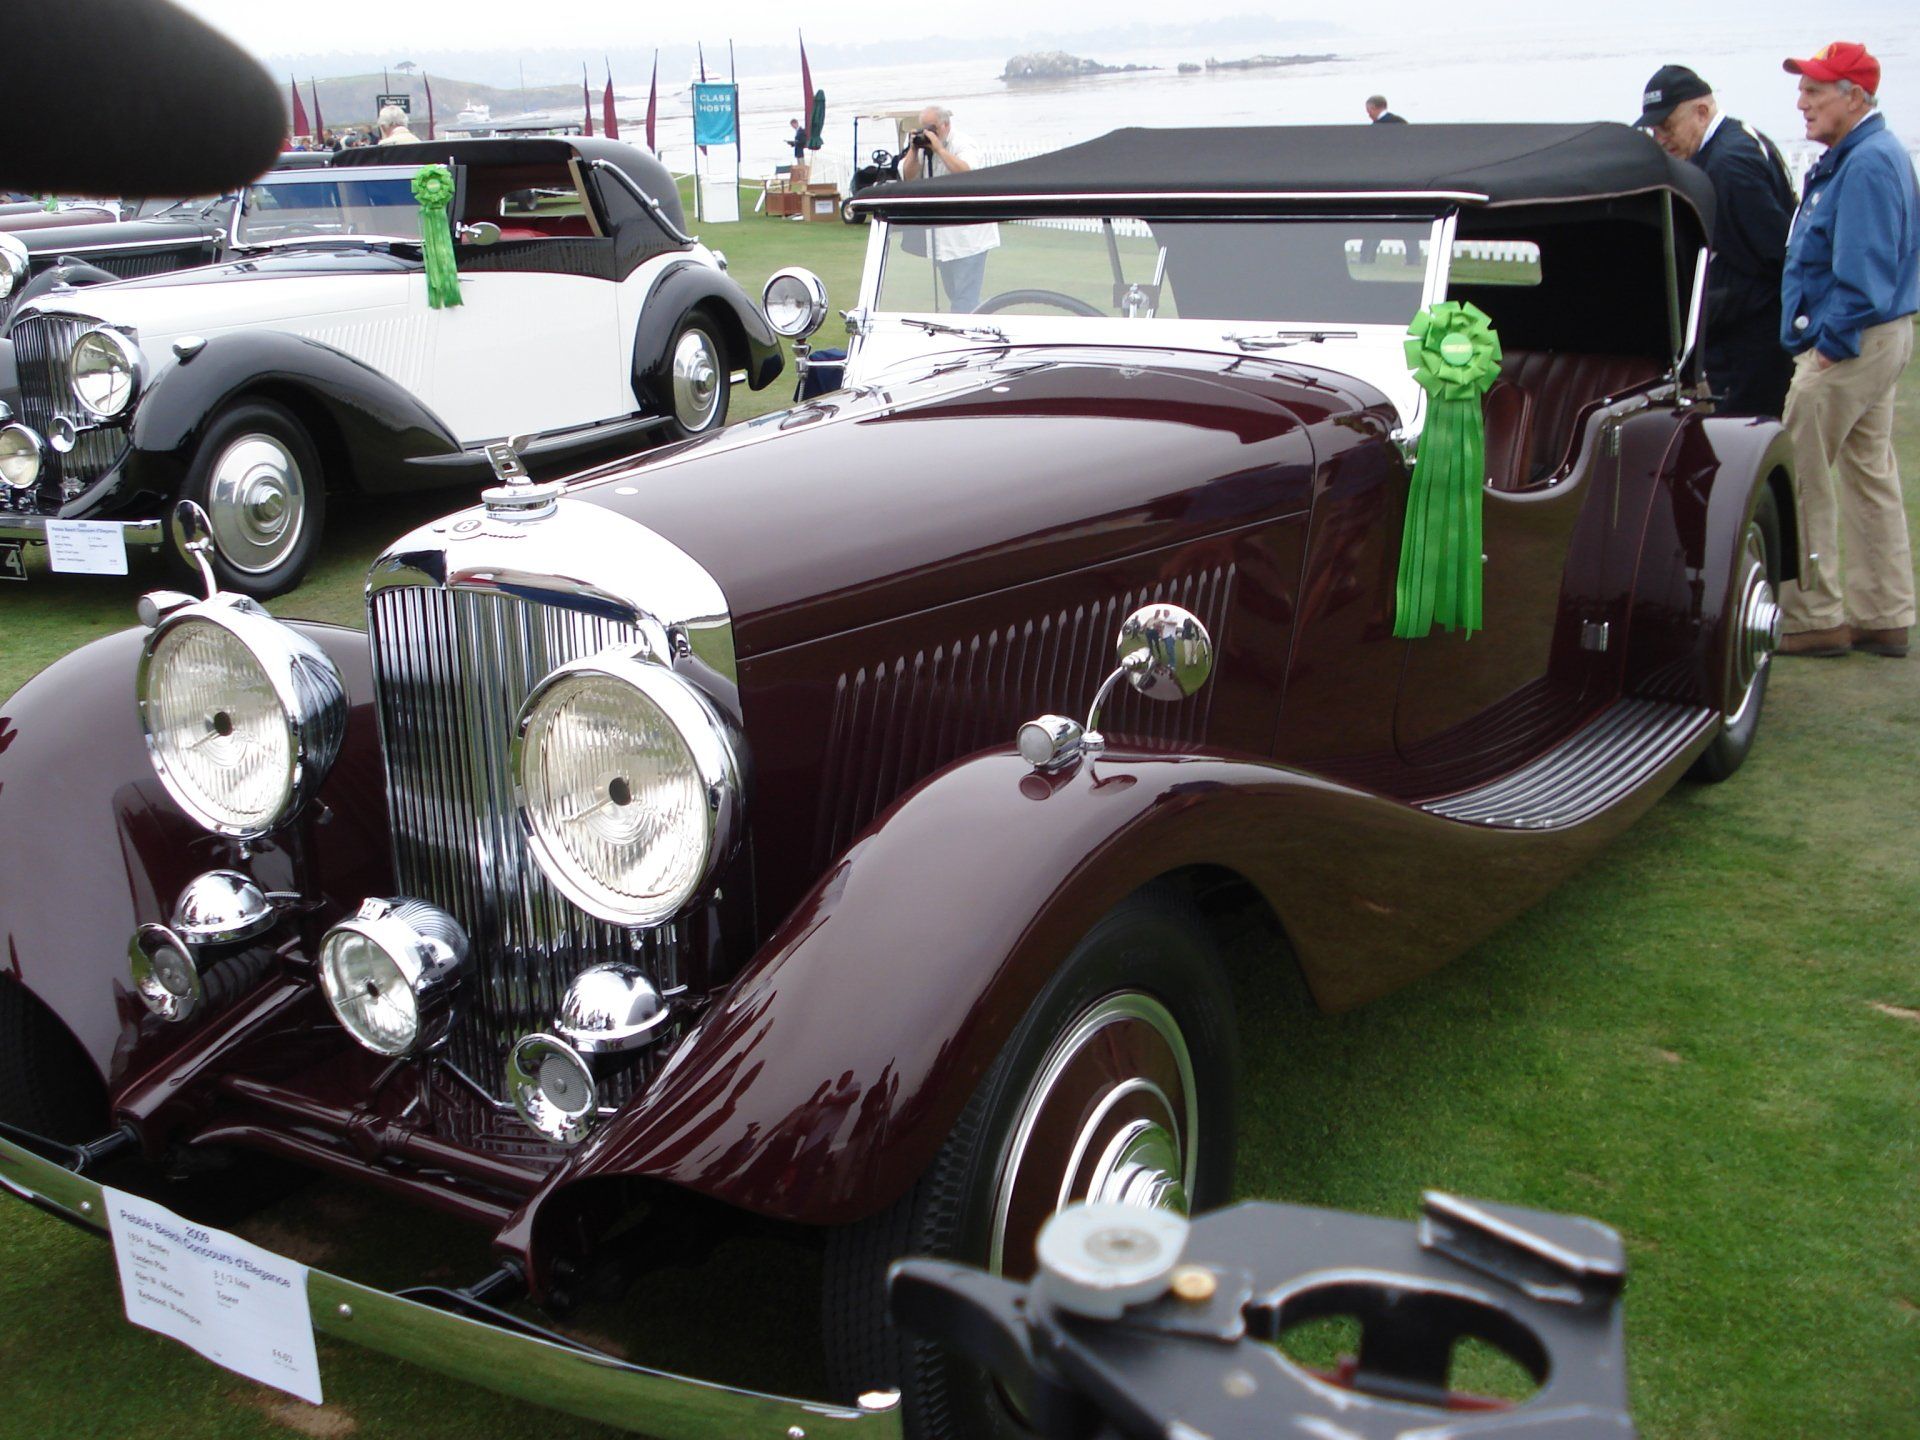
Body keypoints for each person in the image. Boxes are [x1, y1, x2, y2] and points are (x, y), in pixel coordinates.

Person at [1774, 42, 1919, 658]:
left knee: (1799, 472)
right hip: (1877, 336)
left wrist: (1830, 347)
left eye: (1815, 90)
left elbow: (1864, 272)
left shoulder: (1864, 163)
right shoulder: (1864, 155)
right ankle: (1883, 613)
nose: (1801, 102)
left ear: (1854, 97)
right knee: (1869, 473)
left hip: (1853, 340)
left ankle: (1813, 617)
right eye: (1803, 88)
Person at [1635, 64, 1797, 415]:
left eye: (1666, 126)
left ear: (1702, 112)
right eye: (1653, 129)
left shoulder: (1728, 167)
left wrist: (1707, 315)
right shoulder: (1742, 137)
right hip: (1750, 335)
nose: (1660, 138)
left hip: (1750, 347)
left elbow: (1771, 259)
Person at [899, 104, 999, 313]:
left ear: (945, 125)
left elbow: (966, 172)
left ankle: (962, 334)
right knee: (955, 294)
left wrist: (940, 150)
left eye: (932, 127)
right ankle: (982, 317)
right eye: (923, 127)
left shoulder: (964, 144)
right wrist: (913, 149)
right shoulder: (922, 148)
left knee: (964, 299)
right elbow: (908, 176)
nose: (927, 132)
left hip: (970, 238)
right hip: (941, 239)